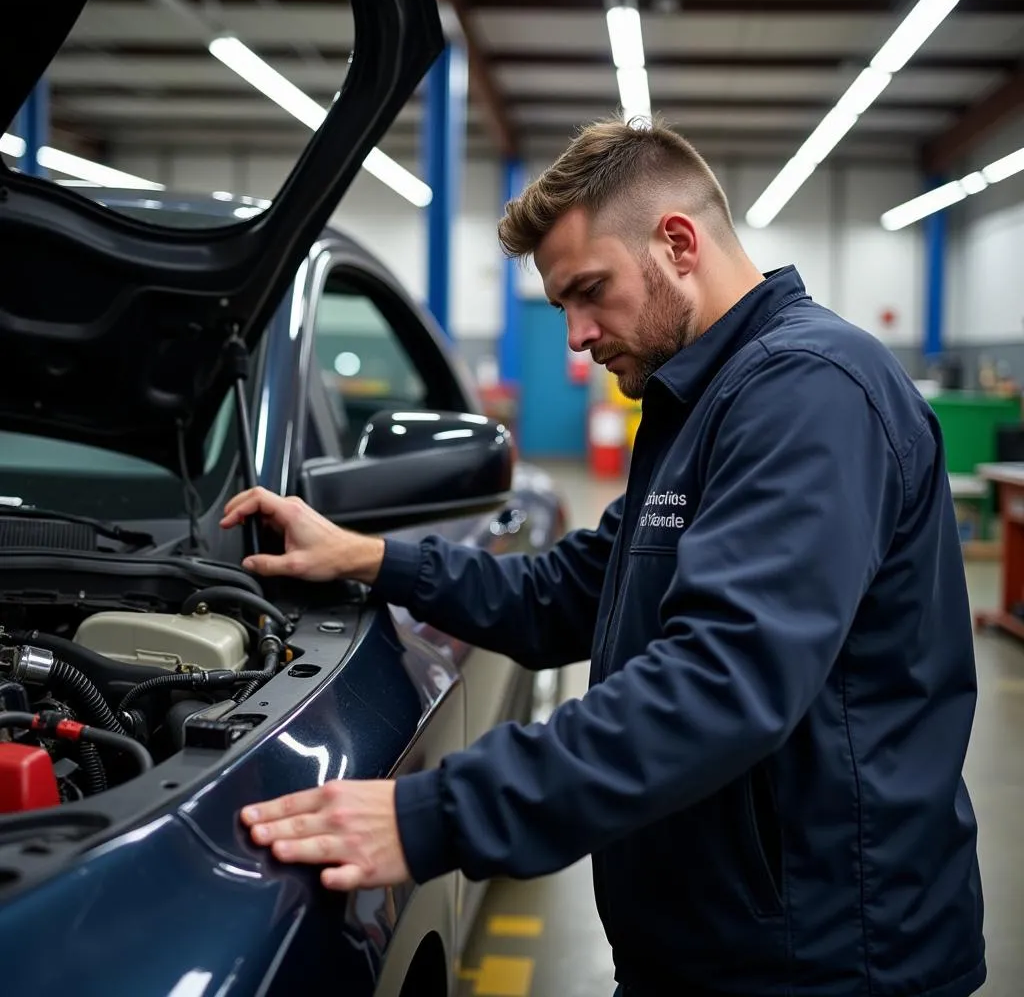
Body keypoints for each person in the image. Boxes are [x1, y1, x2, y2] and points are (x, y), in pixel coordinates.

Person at [223, 117, 986, 996]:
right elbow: (569, 593)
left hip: (821, 963)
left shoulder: (810, 393)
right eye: (561, 306)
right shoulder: (702, 400)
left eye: (590, 291)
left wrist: (434, 814)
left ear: (677, 242)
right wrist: (370, 558)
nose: (576, 337)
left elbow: (721, 682)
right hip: (717, 944)